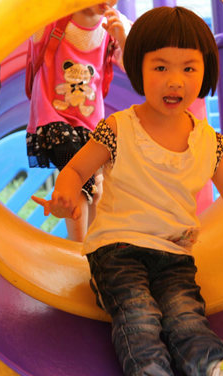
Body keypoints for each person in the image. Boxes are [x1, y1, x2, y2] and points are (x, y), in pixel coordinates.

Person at [33, 6, 223, 376]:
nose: (175, 81)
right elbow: (75, 170)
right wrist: (65, 194)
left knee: (186, 315)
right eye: (160, 68)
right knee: (139, 314)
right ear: (137, 68)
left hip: (174, 253)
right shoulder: (119, 128)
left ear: (206, 70)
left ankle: (219, 372)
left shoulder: (208, 141)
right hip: (116, 250)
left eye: (189, 68)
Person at [25, 1, 129, 241]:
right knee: (78, 173)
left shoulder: (114, 25)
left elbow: (139, 64)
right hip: (54, 116)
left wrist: (122, 39)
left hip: (90, 120)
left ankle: (94, 247)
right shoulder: (51, 17)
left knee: (97, 187)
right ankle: (78, 247)